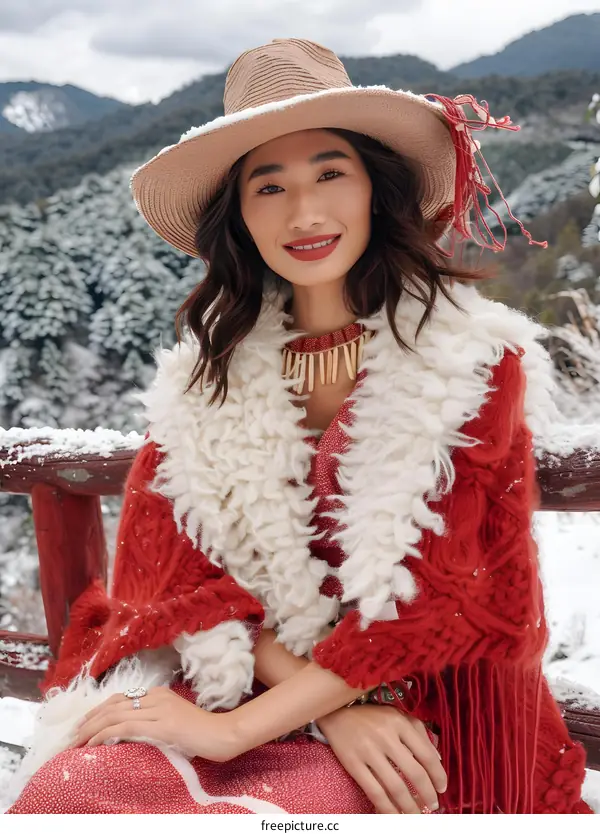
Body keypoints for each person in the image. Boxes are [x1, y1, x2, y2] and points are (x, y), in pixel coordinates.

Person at [7, 37, 593, 815]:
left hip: (425, 717)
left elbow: (455, 598)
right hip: (258, 687)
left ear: (374, 191)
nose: (306, 212)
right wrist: (324, 709)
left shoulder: (470, 362)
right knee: (71, 795)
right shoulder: (201, 385)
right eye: (269, 186)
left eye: (330, 174)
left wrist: (245, 730)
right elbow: (179, 581)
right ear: (239, 217)